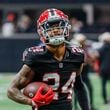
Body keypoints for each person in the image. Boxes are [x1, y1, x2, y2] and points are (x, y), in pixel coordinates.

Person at [7, 8, 90, 110]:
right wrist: (31, 101)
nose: (55, 30)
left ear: (66, 27)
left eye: (59, 25)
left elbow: (79, 86)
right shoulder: (36, 57)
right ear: (41, 31)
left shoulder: (77, 55)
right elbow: (11, 90)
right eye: (50, 26)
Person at [71, 33, 97, 110]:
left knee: (89, 89)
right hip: (79, 72)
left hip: (85, 72)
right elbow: (81, 61)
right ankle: (75, 107)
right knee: (77, 91)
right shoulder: (75, 47)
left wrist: (90, 60)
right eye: (82, 40)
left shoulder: (85, 47)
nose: (84, 42)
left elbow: (90, 58)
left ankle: (90, 106)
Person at [92, 32, 110, 104]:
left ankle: (105, 100)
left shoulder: (100, 49)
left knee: (103, 85)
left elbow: (96, 58)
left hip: (103, 69)